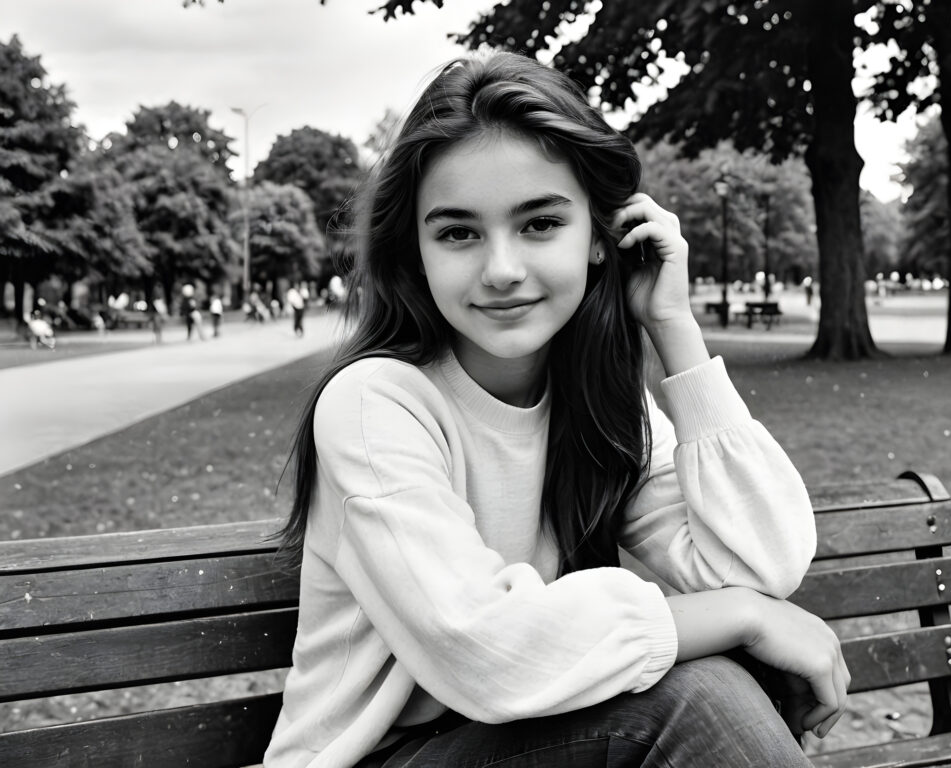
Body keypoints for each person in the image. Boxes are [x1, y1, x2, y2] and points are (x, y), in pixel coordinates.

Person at [264, 53, 848, 768]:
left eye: (540, 223)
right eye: (458, 233)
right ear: (414, 254)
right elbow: (482, 650)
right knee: (698, 694)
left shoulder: (598, 399)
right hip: (383, 757)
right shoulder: (377, 403)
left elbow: (759, 565)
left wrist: (675, 331)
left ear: (602, 239)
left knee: (710, 682)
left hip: (534, 736)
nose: (502, 268)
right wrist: (745, 618)